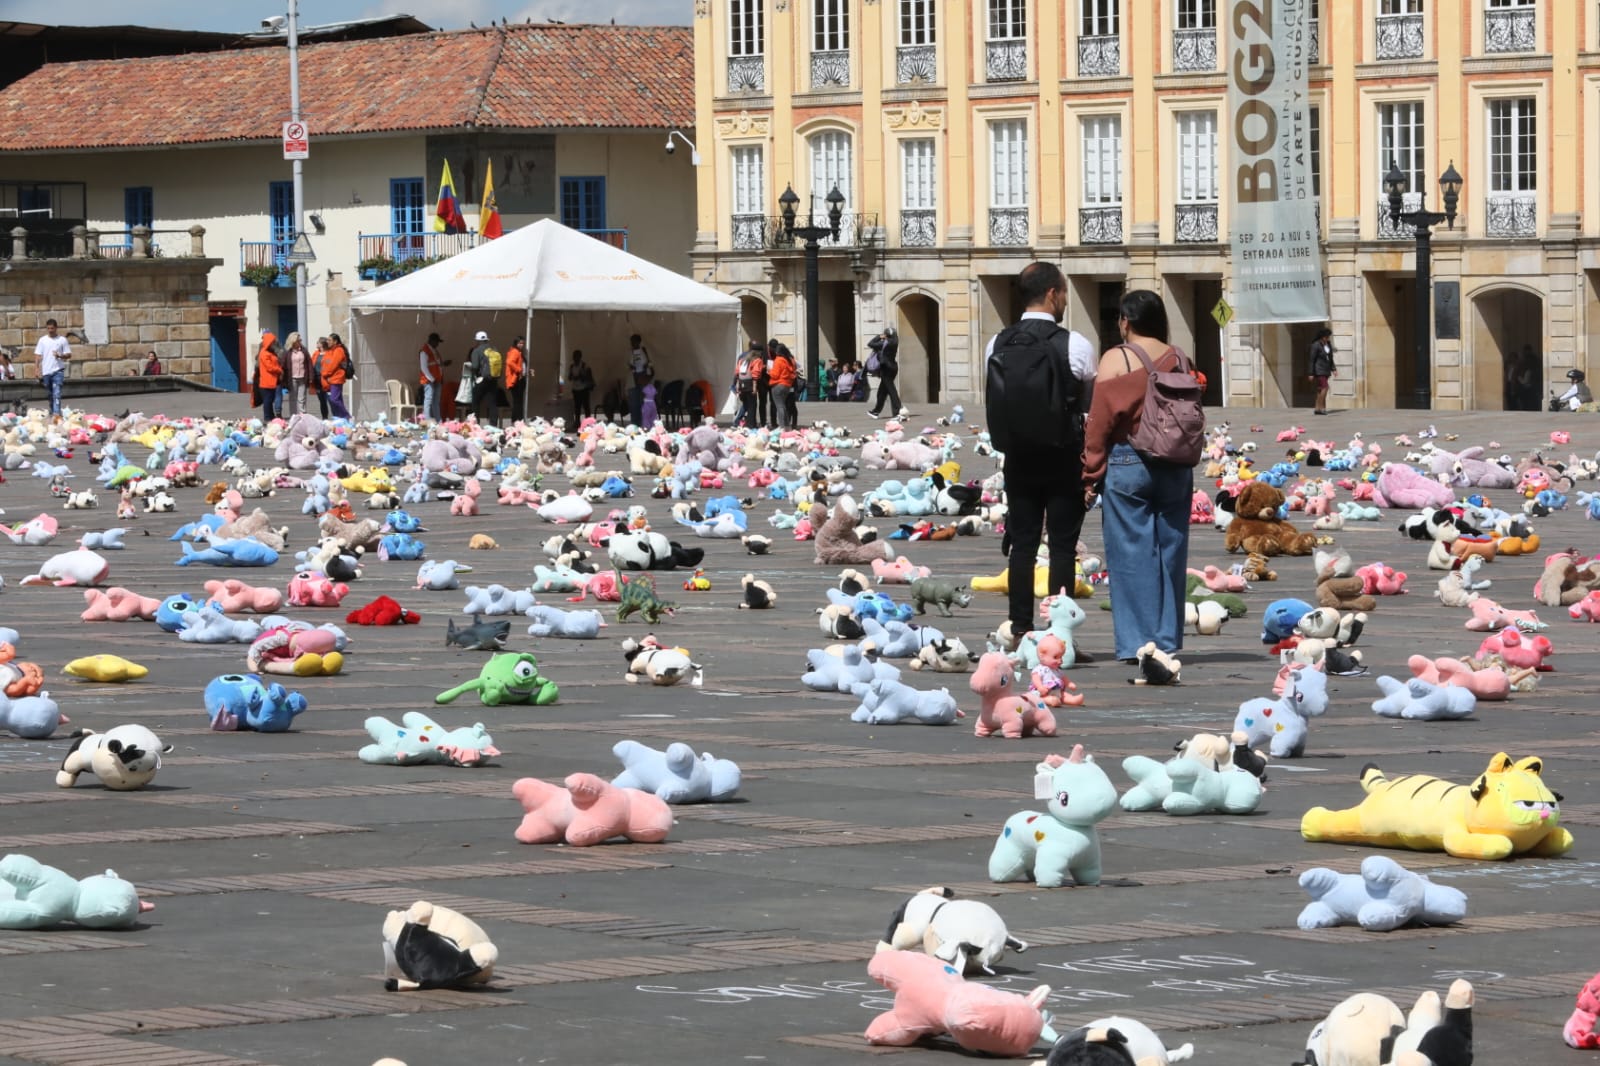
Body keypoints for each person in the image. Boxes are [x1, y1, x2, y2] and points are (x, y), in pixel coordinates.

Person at [1081, 289, 1198, 665]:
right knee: (1171, 552)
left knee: (1132, 554)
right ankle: (1166, 639)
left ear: (1125, 321)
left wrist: (1091, 472)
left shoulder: (1118, 357)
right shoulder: (1180, 357)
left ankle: (1138, 642)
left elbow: (1099, 423)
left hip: (1129, 462)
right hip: (1176, 464)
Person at [984, 262, 1096, 647]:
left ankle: (1019, 629)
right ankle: (1058, 636)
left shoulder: (997, 343)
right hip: (1064, 456)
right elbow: (1088, 405)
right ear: (1053, 294)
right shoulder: (1075, 345)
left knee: (1024, 545)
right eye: (1064, 292)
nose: (1064, 299)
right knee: (1063, 547)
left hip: (1018, 458)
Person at [866, 327, 908, 419]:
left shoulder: (884, 343)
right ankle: (876, 411)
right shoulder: (895, 342)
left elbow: (870, 344)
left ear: (886, 335)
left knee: (891, 390)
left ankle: (898, 411)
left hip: (886, 369)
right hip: (893, 367)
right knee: (882, 392)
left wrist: (879, 336)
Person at [34, 318, 72, 418]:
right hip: (46, 371)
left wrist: (60, 355)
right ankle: (52, 409)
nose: (50, 330)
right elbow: (38, 355)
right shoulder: (42, 340)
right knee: (50, 394)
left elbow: (68, 355)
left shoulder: (62, 340)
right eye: (48, 328)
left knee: (57, 392)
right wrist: (37, 369)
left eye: (52, 328)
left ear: (56, 328)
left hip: (58, 371)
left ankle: (56, 414)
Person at [468, 330, 504, 426]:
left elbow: (475, 366)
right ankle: (493, 425)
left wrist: (470, 367)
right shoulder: (494, 349)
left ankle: (475, 424)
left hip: (481, 379)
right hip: (493, 379)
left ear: (477, 340)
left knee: (475, 402)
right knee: (492, 403)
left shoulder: (477, 351)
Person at [766, 341, 798, 430]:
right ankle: (787, 426)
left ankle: (782, 426)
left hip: (777, 385)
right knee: (783, 405)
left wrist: (769, 370)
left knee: (779, 406)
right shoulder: (790, 360)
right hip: (787, 385)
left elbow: (775, 375)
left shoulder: (778, 360)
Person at [419, 332, 449, 421]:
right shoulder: (424, 351)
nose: (438, 344)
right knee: (428, 399)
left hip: (437, 379)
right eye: (437, 342)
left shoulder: (434, 351)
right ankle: (427, 420)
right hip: (429, 380)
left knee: (436, 401)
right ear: (432, 340)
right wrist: (432, 379)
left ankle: (438, 420)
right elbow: (423, 367)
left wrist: (444, 364)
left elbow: (436, 364)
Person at [253, 329, 281, 422]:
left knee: (270, 399)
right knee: (268, 400)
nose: (274, 343)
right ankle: (267, 417)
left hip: (272, 380)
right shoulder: (264, 353)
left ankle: (271, 416)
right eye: (272, 341)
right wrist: (279, 370)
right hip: (266, 381)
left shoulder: (270, 352)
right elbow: (269, 367)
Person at [322, 332, 351, 420]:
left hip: (336, 378)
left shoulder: (339, 350)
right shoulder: (330, 351)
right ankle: (339, 418)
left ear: (335, 341)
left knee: (334, 399)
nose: (328, 342)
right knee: (337, 400)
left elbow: (333, 364)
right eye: (327, 340)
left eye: (329, 340)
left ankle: (347, 416)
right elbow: (326, 363)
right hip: (330, 379)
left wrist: (326, 373)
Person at [733, 342, 763, 426]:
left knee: (746, 404)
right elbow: (755, 374)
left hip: (742, 385)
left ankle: (743, 423)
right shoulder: (757, 360)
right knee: (752, 406)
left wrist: (738, 386)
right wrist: (754, 387)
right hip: (750, 384)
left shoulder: (743, 360)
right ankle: (751, 424)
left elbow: (737, 373)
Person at [1308, 327, 1335, 415]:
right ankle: (1321, 408)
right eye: (1327, 337)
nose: (1328, 338)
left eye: (1328, 337)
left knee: (1320, 389)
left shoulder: (1328, 344)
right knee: (1325, 387)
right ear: (1322, 337)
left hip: (1326, 370)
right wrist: (1311, 373)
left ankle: (1317, 408)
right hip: (1319, 370)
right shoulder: (1315, 345)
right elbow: (1312, 359)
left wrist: (1333, 369)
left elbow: (1330, 358)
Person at [628, 333, 653, 426]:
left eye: (634, 341)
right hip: (634, 377)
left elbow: (649, 363)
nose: (632, 343)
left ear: (639, 341)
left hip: (643, 377)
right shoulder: (630, 352)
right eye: (631, 341)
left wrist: (647, 370)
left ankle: (645, 422)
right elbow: (628, 364)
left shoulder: (643, 351)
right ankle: (635, 423)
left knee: (644, 401)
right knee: (634, 402)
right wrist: (632, 367)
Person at [283, 332, 309, 417]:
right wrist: (284, 378)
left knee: (302, 399)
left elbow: (309, 363)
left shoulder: (304, 351)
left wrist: (310, 376)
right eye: (299, 340)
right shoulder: (288, 353)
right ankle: (293, 416)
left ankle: (303, 416)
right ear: (293, 341)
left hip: (302, 377)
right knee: (293, 398)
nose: (300, 342)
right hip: (292, 378)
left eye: (300, 340)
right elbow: (284, 366)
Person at [504, 335, 527, 424]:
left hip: (519, 379)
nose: (522, 345)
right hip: (516, 380)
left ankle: (517, 420)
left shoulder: (518, 352)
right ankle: (517, 420)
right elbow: (509, 362)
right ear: (516, 343)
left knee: (518, 401)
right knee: (518, 402)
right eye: (520, 343)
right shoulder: (515, 352)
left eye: (523, 343)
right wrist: (519, 369)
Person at [569, 349, 595, 423]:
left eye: (576, 356)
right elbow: (569, 377)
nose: (575, 358)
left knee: (586, 407)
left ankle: (588, 422)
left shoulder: (584, 365)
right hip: (575, 389)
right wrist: (573, 377)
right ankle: (577, 422)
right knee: (577, 407)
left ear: (580, 357)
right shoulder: (572, 366)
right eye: (574, 356)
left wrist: (581, 376)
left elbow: (589, 377)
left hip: (584, 389)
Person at [311, 337, 331, 419]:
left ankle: (336, 416)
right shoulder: (316, 353)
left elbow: (330, 365)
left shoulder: (329, 353)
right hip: (317, 379)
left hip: (326, 379)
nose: (316, 344)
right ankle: (324, 417)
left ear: (322, 344)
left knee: (330, 399)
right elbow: (312, 363)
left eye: (318, 342)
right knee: (322, 400)